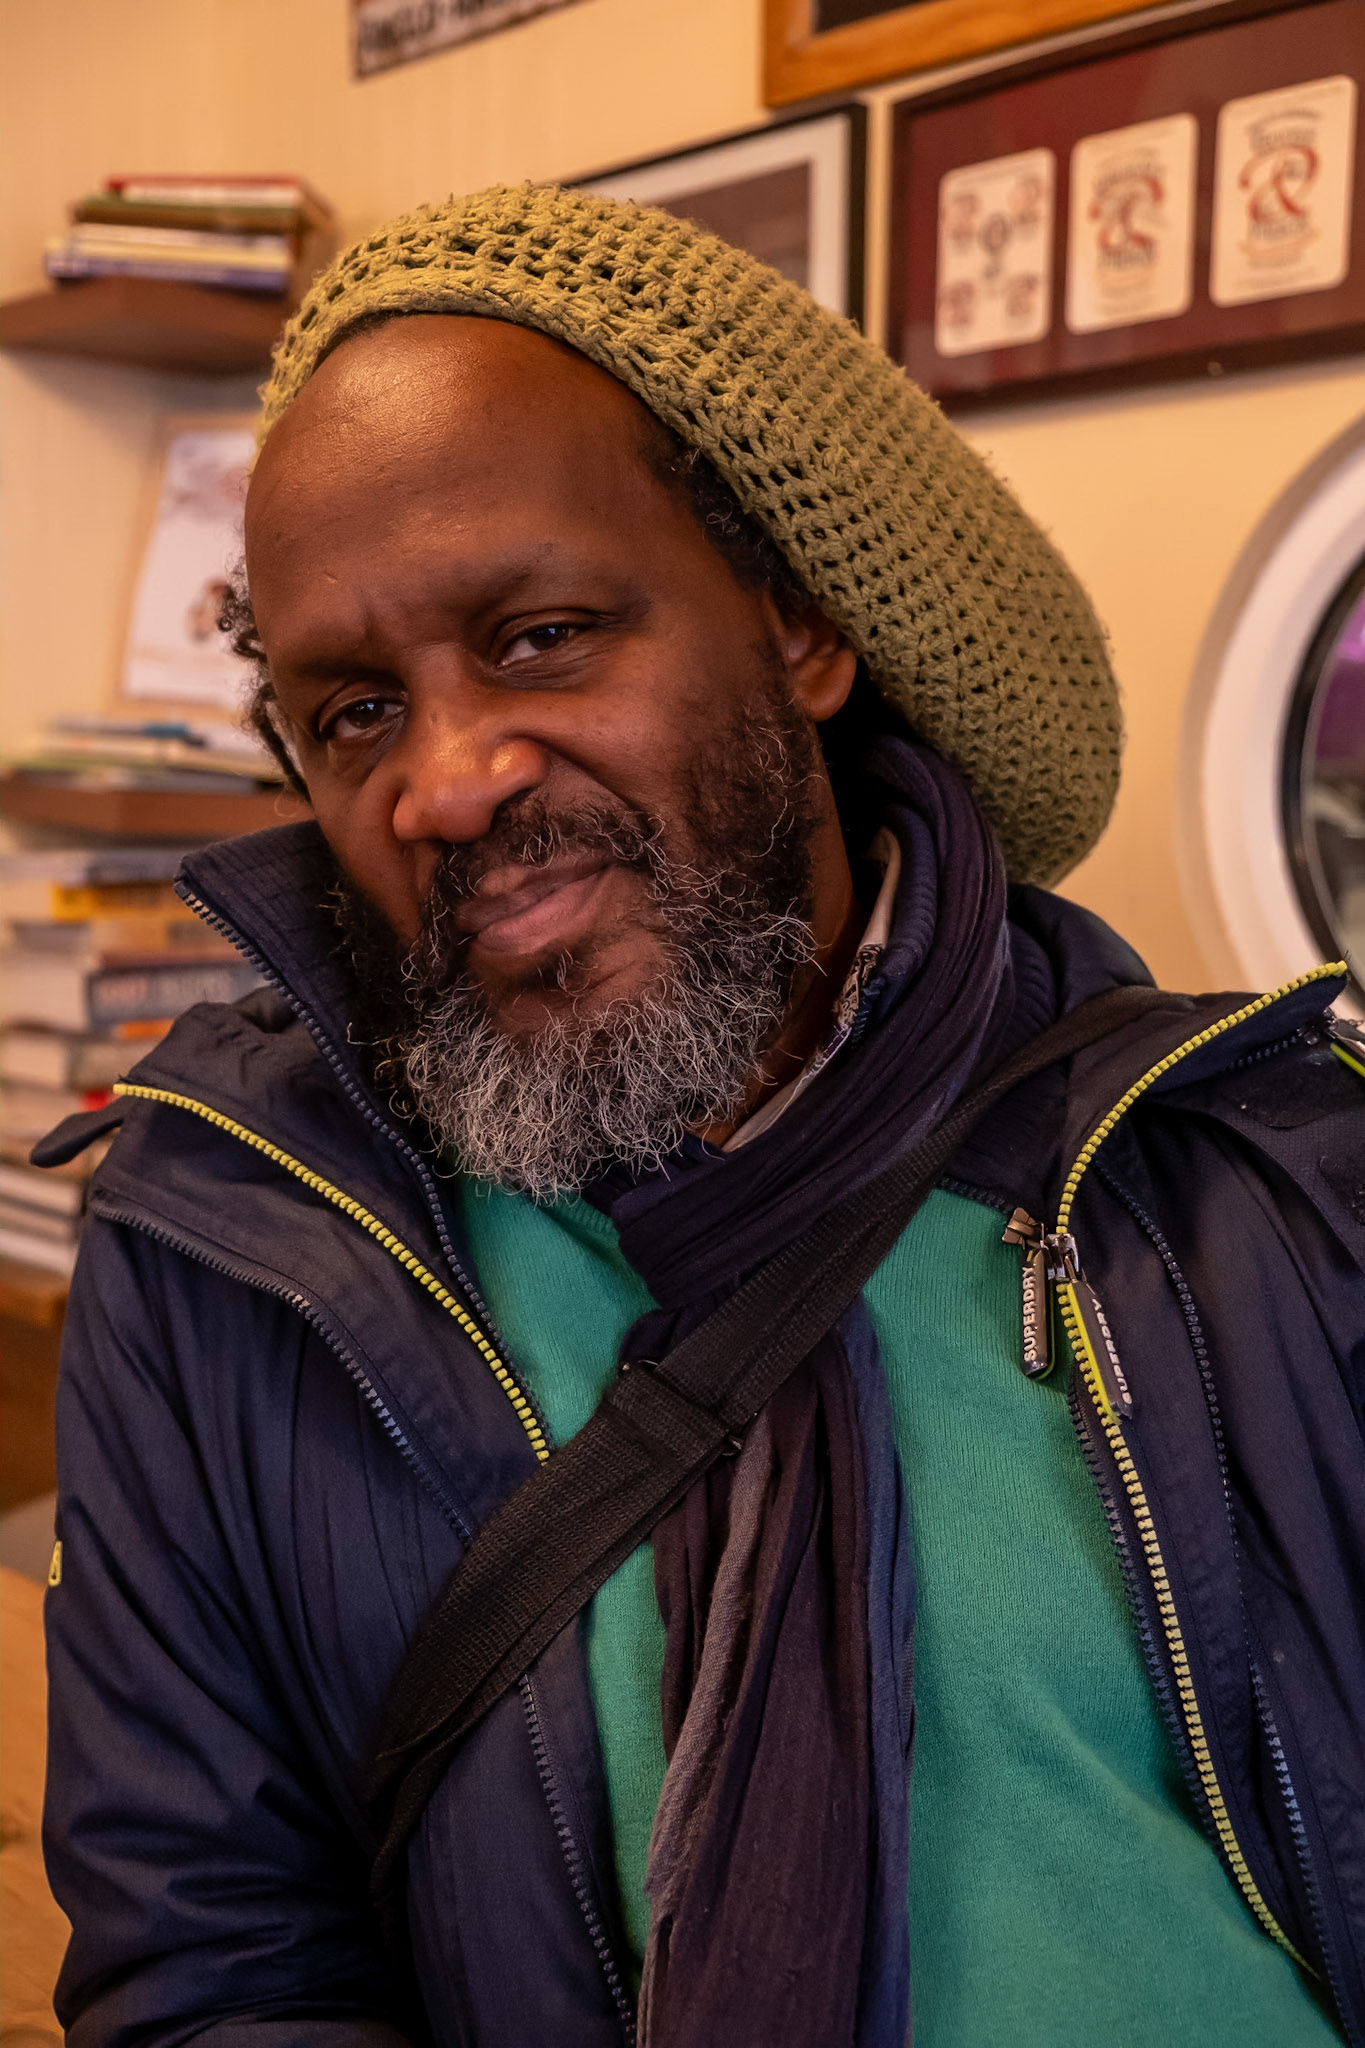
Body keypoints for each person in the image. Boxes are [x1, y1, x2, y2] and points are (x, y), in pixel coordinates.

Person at [37, 186, 1365, 2048]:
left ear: (800, 627)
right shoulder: (227, 1251)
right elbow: (213, 1968)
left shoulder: (1263, 1174)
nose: (444, 780)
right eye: (349, 714)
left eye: (543, 636)